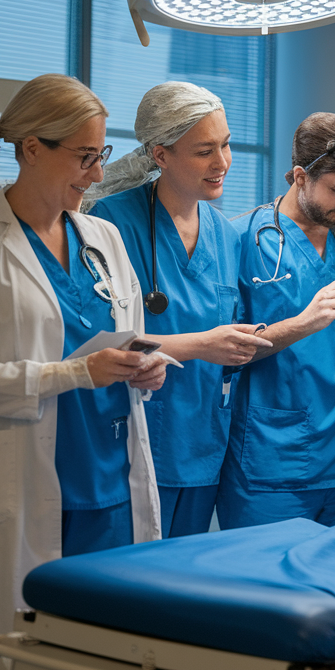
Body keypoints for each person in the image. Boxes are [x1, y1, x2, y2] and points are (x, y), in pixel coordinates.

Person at [0, 74, 167, 670]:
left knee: (111, 657)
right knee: (27, 661)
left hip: (112, 485)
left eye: (101, 155)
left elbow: (130, 333)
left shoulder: (104, 237)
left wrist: (144, 368)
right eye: (85, 157)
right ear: (32, 148)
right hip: (30, 487)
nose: (97, 173)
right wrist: (75, 373)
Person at [88, 82, 271, 538]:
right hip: (132, 440)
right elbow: (98, 341)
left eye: (226, 145)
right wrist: (205, 344)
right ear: (160, 154)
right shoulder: (111, 223)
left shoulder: (226, 234)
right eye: (204, 150)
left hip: (204, 441)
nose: (222, 163)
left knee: (179, 588)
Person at [218, 113, 335, 528]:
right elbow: (225, 352)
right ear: (300, 176)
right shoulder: (241, 239)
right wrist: (303, 322)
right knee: (262, 584)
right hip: (274, 455)